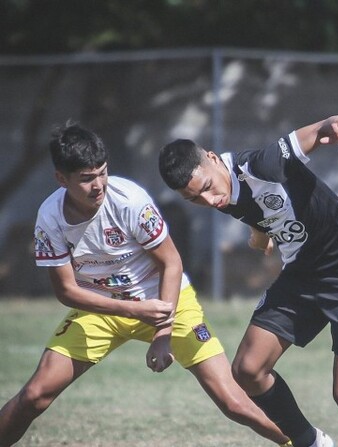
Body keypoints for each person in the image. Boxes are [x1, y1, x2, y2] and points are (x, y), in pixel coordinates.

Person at [0, 122, 292, 447]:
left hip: (167, 302)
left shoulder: (129, 200)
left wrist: (162, 335)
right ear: (61, 179)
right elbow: (66, 291)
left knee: (235, 403)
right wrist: (133, 310)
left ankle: (304, 442)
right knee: (35, 394)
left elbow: (171, 262)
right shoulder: (50, 218)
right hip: (102, 310)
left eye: (102, 172)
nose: (98, 185)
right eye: (86, 178)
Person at [158, 115, 338, 447]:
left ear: (212, 158)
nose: (209, 201)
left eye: (207, 188)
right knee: (248, 371)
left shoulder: (260, 165)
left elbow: (305, 136)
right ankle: (312, 443)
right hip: (301, 275)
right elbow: (258, 206)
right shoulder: (221, 191)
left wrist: (331, 123)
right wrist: (261, 231)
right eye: (194, 199)